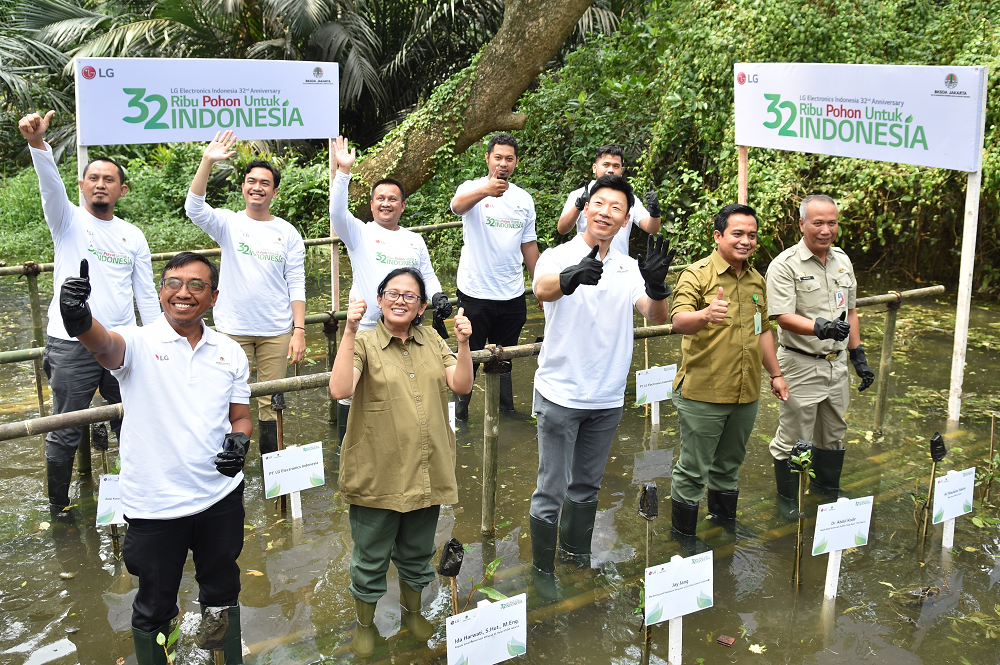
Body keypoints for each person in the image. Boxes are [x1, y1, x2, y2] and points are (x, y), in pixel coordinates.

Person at [60, 252, 252, 664]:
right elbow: (105, 346)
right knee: (154, 601)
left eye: (196, 285)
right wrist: (80, 320)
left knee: (221, 588)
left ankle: (223, 656)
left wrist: (240, 442)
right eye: (173, 283)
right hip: (155, 504)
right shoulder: (138, 342)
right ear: (161, 292)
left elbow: (240, 416)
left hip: (219, 498)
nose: (183, 293)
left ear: (213, 296)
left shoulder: (230, 351)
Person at [529, 174, 673, 598]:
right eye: (599, 204)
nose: (606, 212)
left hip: (608, 395)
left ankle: (575, 558)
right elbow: (542, 288)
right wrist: (574, 275)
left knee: (587, 485)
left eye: (616, 208)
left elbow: (656, 316)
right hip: (560, 391)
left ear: (627, 218)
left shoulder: (629, 267)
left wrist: (658, 284)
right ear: (585, 208)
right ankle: (541, 570)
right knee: (550, 488)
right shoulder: (557, 255)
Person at [18, 110, 160, 519]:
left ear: (122, 190)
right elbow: (49, 188)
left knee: (130, 421)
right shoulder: (67, 221)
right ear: (81, 186)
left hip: (120, 343)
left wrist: (156, 341)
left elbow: (146, 295)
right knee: (65, 428)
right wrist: (38, 146)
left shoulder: (132, 235)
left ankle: (137, 497)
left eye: (109, 179)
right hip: (71, 343)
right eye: (93, 178)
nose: (100, 184)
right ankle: (59, 509)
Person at [330, 267, 472, 657]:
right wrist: (347, 330)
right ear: (378, 300)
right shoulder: (363, 342)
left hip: (427, 469)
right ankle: (365, 624)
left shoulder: (430, 338)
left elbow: (461, 385)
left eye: (410, 296)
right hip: (378, 472)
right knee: (370, 557)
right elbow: (340, 389)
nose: (400, 300)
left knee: (417, 552)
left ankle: (412, 612)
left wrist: (462, 344)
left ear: (422, 306)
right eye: (392, 293)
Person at [669, 204, 788, 537]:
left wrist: (776, 374)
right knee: (693, 470)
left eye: (751, 235)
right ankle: (684, 541)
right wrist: (706, 314)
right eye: (738, 234)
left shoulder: (756, 280)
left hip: (746, 392)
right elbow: (678, 321)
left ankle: (723, 533)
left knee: (729, 467)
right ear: (719, 235)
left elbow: (762, 330)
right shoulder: (697, 273)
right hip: (703, 391)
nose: (746, 241)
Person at [185, 130, 306, 458]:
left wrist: (299, 330)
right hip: (232, 329)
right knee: (226, 395)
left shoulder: (288, 233)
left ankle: (273, 468)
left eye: (264, 183)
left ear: (274, 192)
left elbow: (296, 282)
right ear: (243, 187)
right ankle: (226, 463)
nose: (257, 187)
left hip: (276, 331)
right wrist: (207, 161)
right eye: (251, 181)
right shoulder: (228, 223)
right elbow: (194, 208)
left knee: (272, 401)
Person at [329, 135, 450, 442]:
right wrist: (344, 172)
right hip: (366, 326)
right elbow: (336, 214)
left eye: (392, 199)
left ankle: (394, 443)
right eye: (380, 198)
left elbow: (428, 276)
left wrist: (438, 296)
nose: (386, 203)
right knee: (349, 392)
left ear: (402, 206)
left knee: (398, 388)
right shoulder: (359, 233)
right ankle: (347, 448)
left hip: (405, 327)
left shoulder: (414, 239)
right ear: (371, 204)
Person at [766, 194, 874, 509]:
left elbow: (851, 312)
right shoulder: (785, 265)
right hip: (800, 364)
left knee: (834, 432)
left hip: (836, 366)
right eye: (818, 223)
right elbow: (782, 316)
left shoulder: (842, 260)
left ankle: (827, 493)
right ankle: (789, 501)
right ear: (802, 224)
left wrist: (859, 357)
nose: (825, 230)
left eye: (831, 223)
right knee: (795, 436)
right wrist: (820, 327)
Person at [450, 133, 539, 418]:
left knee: (506, 356)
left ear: (515, 163)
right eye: (498, 157)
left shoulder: (523, 199)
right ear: (487, 158)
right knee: (469, 356)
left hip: (511, 294)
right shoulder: (471, 188)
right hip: (475, 292)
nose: (503, 163)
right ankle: (460, 416)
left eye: (509, 159)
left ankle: (506, 411)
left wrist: (538, 285)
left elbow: (529, 244)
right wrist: (485, 190)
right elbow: (457, 206)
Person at [556, 144, 662, 256]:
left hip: (618, 266)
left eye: (616, 166)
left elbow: (651, 228)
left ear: (621, 170)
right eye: (606, 165)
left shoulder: (628, 198)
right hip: (584, 264)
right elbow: (562, 229)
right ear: (594, 168)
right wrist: (578, 207)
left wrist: (655, 212)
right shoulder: (578, 194)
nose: (611, 170)